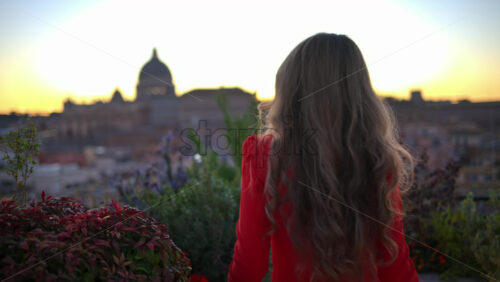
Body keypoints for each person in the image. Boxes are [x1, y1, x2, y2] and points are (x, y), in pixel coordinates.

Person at [228, 33, 419, 282]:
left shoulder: (263, 155)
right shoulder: (377, 159)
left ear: (291, 92)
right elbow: (394, 267)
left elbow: (249, 263)